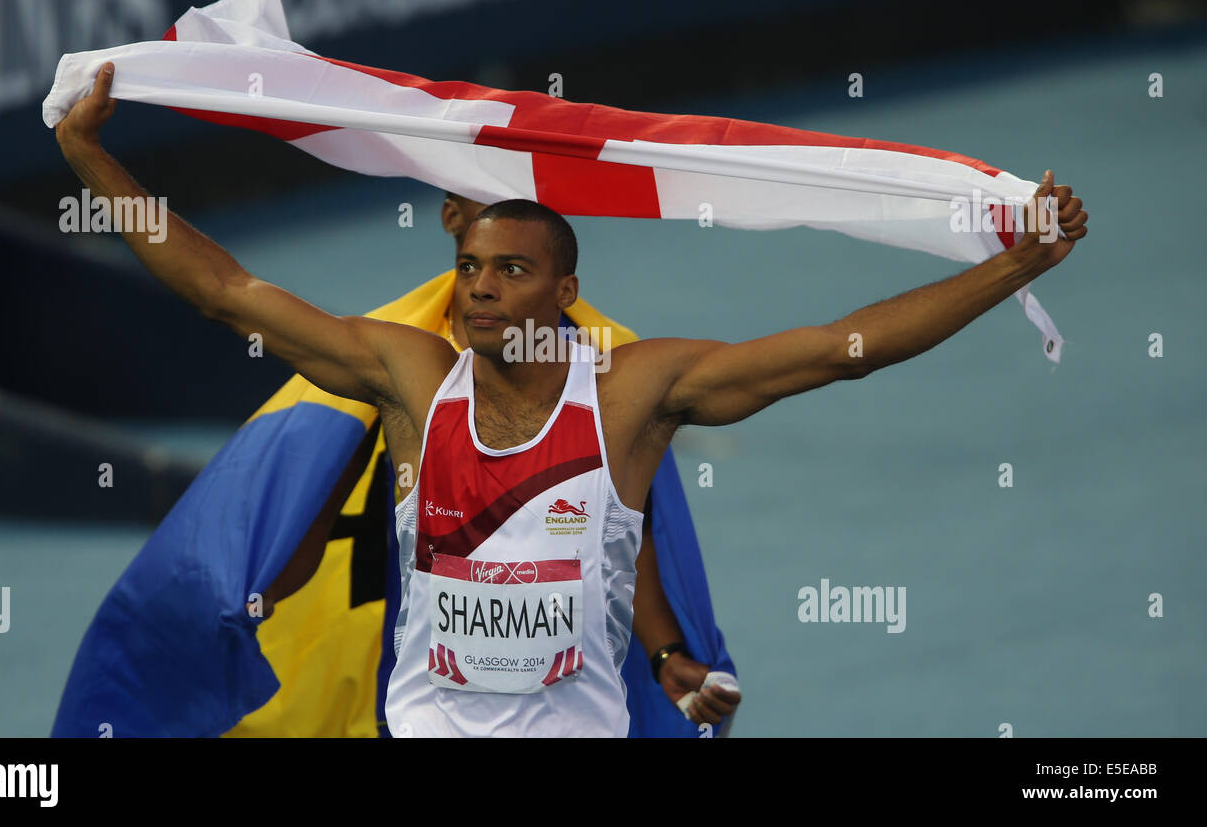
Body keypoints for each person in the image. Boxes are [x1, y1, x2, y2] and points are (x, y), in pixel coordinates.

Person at [56, 63, 1087, 736]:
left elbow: (836, 351)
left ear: (564, 290)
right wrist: (90, 155)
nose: (481, 287)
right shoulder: (411, 382)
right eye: (468, 268)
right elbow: (225, 290)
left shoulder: (634, 394)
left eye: (509, 268)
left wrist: (1011, 265)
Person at [250, 189, 742, 730]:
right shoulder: (402, 361)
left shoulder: (606, 371)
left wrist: (664, 650)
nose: (486, 281)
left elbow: (622, 533)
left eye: (513, 264)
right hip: (419, 665)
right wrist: (254, 594)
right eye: (487, 198)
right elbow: (320, 496)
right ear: (452, 216)